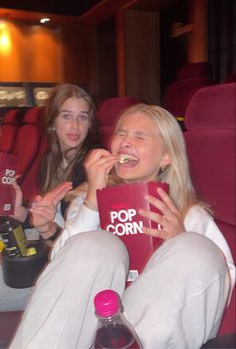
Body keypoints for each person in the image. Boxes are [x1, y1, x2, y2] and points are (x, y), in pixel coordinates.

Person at [10, 104, 235, 349]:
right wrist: (93, 202)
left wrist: (175, 244)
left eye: (139, 136)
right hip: (81, 328)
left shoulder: (188, 215)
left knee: (194, 249)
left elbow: (221, 281)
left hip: (149, 330)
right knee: (97, 244)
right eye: (121, 133)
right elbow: (61, 267)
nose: (125, 142)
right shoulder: (87, 201)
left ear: (166, 157)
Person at [0, 83, 101, 311]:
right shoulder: (50, 161)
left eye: (83, 117)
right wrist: (22, 213)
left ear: (90, 123)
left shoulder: (92, 167)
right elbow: (48, 220)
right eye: (67, 116)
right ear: (53, 122)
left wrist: (46, 229)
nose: (75, 126)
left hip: (66, 271)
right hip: (49, 252)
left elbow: (78, 244)